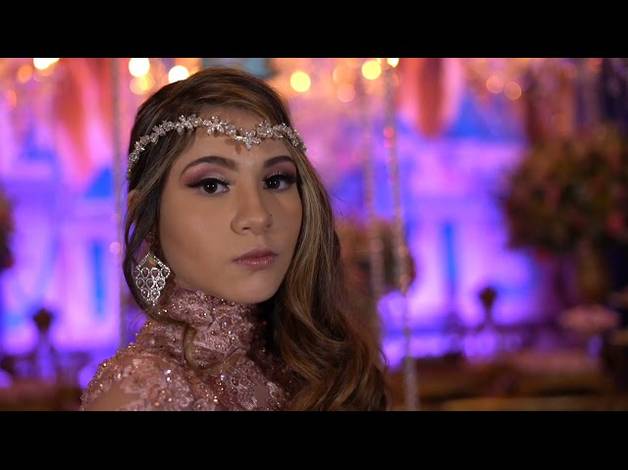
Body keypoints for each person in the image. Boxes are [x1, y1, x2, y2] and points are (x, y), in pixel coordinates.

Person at [80, 67, 389, 411]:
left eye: (275, 181)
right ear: (149, 215)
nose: (258, 216)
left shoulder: (310, 365)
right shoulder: (141, 394)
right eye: (212, 185)